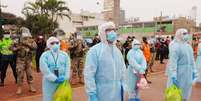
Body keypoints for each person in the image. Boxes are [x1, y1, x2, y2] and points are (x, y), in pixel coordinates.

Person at [84, 22, 126, 101]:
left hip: (117, 92)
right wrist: (92, 93)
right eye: (108, 30)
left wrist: (123, 85)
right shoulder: (95, 51)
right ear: (102, 33)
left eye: (114, 30)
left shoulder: (117, 51)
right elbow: (89, 74)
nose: (112, 32)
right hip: (101, 93)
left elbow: (123, 70)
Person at [166, 28, 196, 101]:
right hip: (179, 73)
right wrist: (173, 75)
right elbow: (173, 62)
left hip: (188, 73)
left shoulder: (188, 47)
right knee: (176, 94)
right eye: (184, 34)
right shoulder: (175, 46)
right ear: (179, 35)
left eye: (187, 33)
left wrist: (194, 71)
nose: (186, 35)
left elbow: (192, 61)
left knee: (186, 91)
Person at [39, 37, 71, 101]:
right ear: (48, 44)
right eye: (52, 43)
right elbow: (44, 69)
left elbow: (68, 66)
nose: (55, 44)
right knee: (49, 97)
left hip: (62, 82)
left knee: (62, 97)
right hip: (49, 83)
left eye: (57, 43)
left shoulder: (64, 55)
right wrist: (54, 78)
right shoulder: (45, 55)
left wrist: (66, 77)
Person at [13, 27, 37, 95]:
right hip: (20, 60)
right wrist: (18, 48)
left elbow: (35, 47)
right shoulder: (17, 40)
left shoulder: (31, 40)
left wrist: (27, 44)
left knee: (30, 74)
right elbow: (11, 47)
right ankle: (19, 87)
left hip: (28, 60)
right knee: (20, 74)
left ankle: (31, 86)